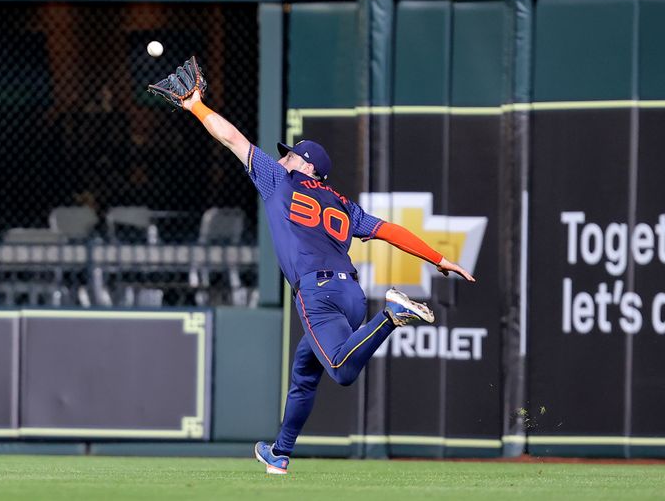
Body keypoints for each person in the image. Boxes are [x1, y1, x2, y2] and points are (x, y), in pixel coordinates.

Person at [176, 84, 475, 475]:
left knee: (341, 370)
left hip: (316, 292)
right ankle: (280, 453)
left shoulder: (278, 181)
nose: (282, 159)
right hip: (349, 292)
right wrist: (438, 258)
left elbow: (231, 137)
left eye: (290, 156)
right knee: (305, 372)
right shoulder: (343, 204)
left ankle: (391, 316)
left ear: (306, 166)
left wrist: (196, 106)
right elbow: (388, 230)